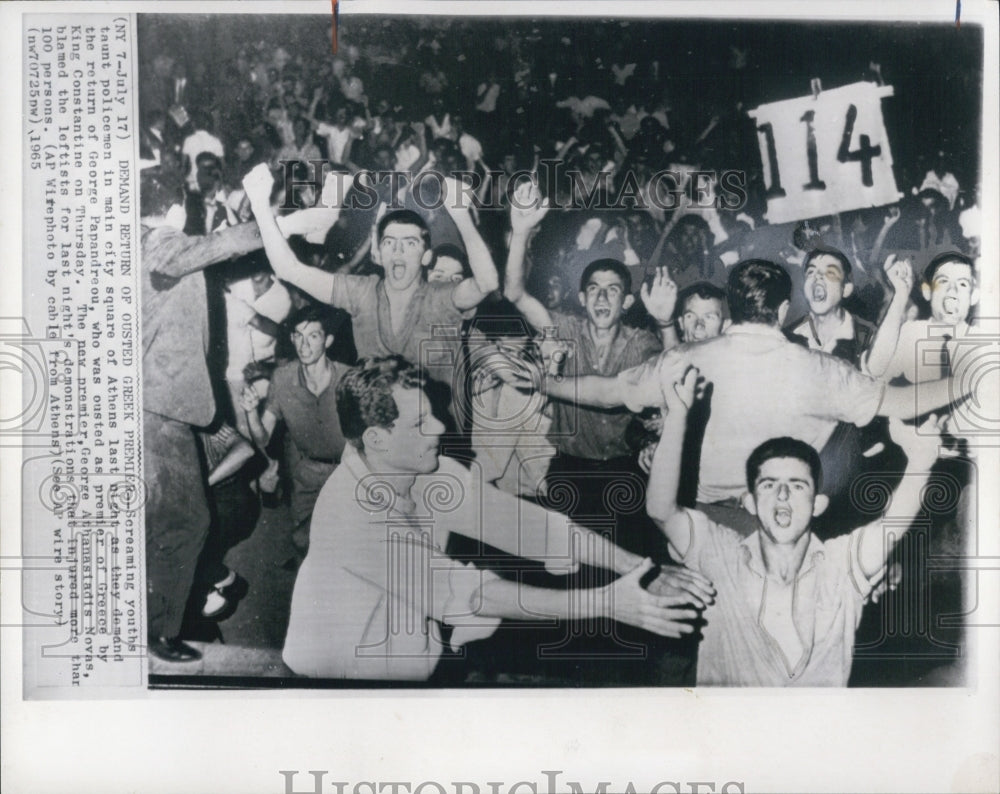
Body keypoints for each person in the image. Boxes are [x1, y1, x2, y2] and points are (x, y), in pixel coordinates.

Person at [281, 357, 715, 681]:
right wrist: (608, 603)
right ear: (376, 439)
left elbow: (535, 529)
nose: (439, 427)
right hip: (335, 691)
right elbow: (468, 594)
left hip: (409, 668)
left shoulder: (429, 470)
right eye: (420, 422)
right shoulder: (350, 517)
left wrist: (640, 570)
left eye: (433, 411)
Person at [537, 259, 971, 535]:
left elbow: (608, 391)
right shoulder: (817, 369)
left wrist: (546, 383)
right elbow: (901, 402)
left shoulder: (685, 359)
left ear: (733, 309)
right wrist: (967, 382)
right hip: (775, 527)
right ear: (782, 311)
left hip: (697, 524)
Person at [646, 364, 946, 686]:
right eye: (769, 484)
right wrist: (677, 415)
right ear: (750, 502)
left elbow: (890, 528)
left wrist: (920, 463)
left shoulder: (841, 564)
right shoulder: (719, 552)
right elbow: (662, 511)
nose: (783, 494)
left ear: (818, 504)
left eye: (798, 485)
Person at [242, 163, 499, 422]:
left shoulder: (439, 296)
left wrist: (461, 213)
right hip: (378, 436)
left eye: (410, 243)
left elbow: (486, 283)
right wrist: (260, 206)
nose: (398, 251)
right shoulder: (361, 292)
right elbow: (289, 269)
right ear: (378, 253)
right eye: (390, 242)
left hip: (435, 433)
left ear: (426, 256)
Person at [140, 171, 266, 663]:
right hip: (160, 408)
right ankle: (160, 631)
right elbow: (215, 246)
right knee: (186, 522)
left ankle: (155, 623)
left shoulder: (142, 246)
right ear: (176, 209)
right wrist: (275, 224)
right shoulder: (162, 243)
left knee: (163, 521)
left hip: (157, 405)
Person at [240, 305, 351, 557]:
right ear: (291, 339)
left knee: (346, 542)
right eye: (299, 336)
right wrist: (250, 412)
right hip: (306, 474)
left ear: (328, 340)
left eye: (313, 336)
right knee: (305, 542)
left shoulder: (348, 378)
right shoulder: (282, 378)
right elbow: (263, 438)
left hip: (346, 473)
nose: (304, 345)